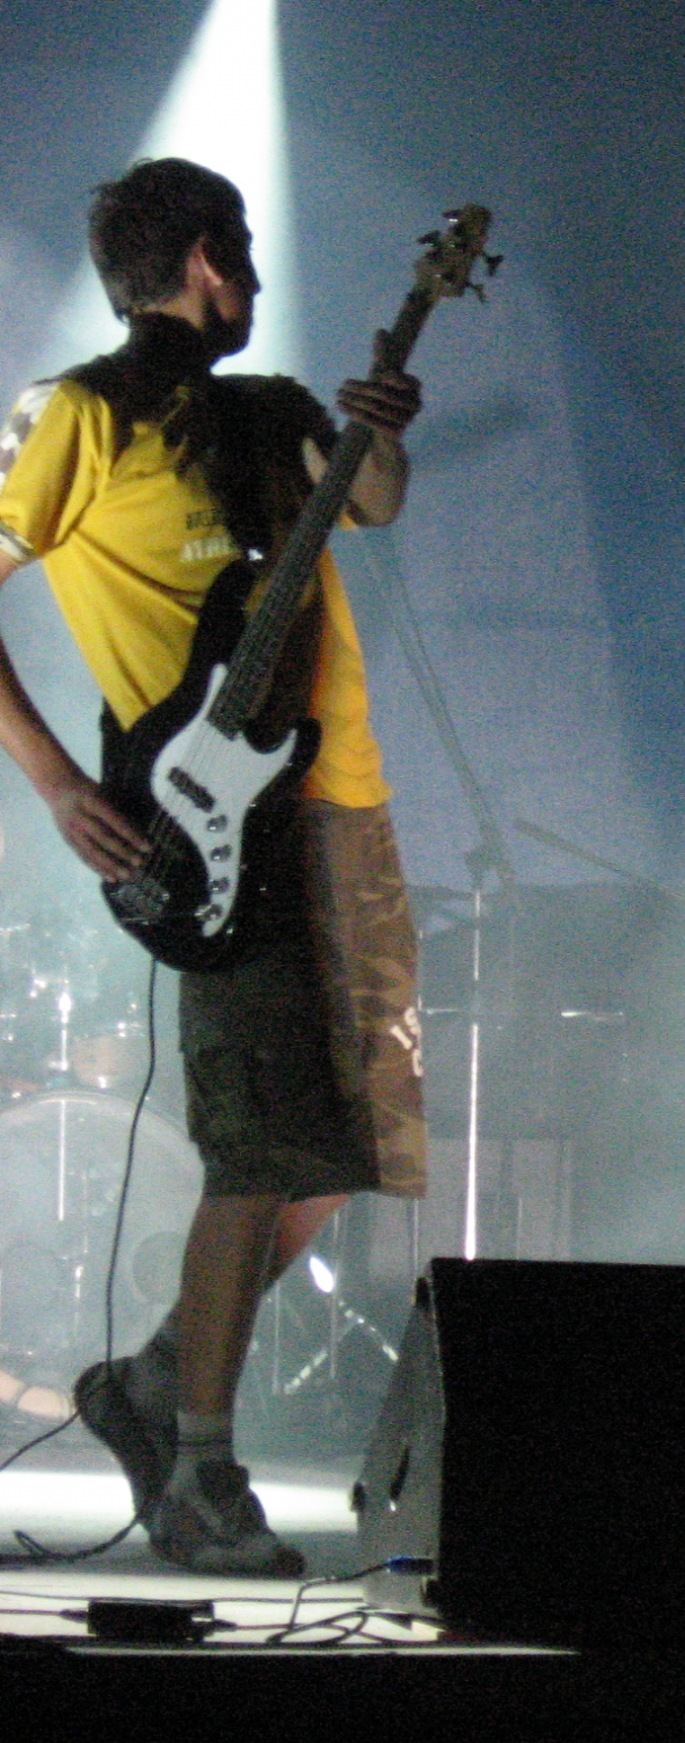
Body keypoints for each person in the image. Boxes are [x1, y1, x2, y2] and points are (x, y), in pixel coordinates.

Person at [0, 158, 428, 1574]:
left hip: (342, 806)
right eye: (237, 247)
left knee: (349, 1153)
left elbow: (374, 501)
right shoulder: (81, 413)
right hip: (208, 826)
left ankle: (152, 1378)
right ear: (204, 258)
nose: (251, 273)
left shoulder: (270, 408)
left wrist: (382, 427)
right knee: (256, 1152)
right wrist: (57, 781)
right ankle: (198, 1471)